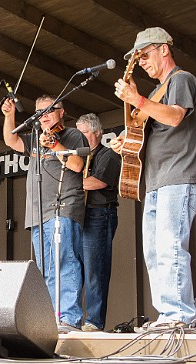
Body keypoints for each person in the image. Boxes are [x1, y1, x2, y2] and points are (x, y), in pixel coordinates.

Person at [112, 27, 196, 329]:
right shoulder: (155, 92)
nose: (141, 62)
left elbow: (175, 116)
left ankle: (179, 315)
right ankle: (168, 313)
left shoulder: (181, 80)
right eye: (137, 59)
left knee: (170, 248)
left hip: (178, 175)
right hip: (155, 181)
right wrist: (125, 140)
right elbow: (145, 131)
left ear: (164, 49)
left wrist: (136, 98)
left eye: (144, 55)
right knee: (154, 253)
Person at [2, 95, 88, 330]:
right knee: (45, 270)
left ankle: (69, 318)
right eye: (40, 112)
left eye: (51, 110)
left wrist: (54, 145)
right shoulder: (35, 139)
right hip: (37, 213)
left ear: (62, 112)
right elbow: (11, 140)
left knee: (66, 262)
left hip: (63, 207)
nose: (45, 115)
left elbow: (77, 166)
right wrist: (9, 115)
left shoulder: (72, 135)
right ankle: (52, 319)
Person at [76, 113, 121, 332]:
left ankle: (94, 321)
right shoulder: (79, 159)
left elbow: (98, 182)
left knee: (96, 269)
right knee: (76, 269)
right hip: (79, 216)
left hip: (99, 215)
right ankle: (72, 318)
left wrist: (72, 185)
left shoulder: (108, 154)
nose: (81, 138)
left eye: (84, 133)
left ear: (97, 133)